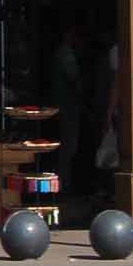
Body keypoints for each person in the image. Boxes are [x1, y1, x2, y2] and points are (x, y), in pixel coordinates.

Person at [47, 19, 86, 192]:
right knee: (67, 147)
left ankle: (62, 184)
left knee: (66, 147)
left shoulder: (60, 54)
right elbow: (75, 81)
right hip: (68, 107)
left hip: (64, 106)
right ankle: (63, 185)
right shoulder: (66, 55)